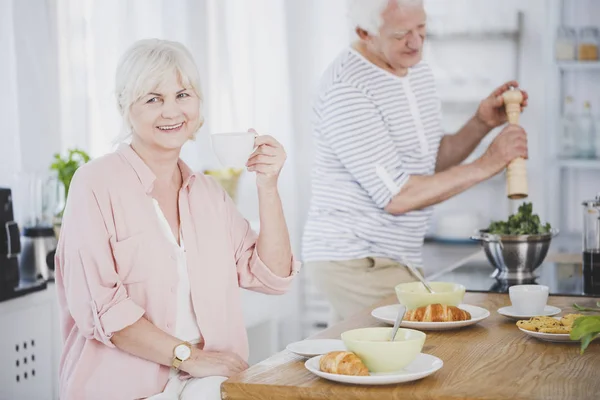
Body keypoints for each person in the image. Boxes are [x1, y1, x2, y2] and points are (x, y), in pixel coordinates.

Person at [54, 38, 300, 400]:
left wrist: (267, 186)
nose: (172, 111)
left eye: (183, 95)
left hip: (203, 384)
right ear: (126, 106)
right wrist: (191, 358)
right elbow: (104, 309)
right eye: (153, 99)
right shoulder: (95, 183)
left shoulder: (209, 194)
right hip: (123, 388)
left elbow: (274, 276)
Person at [302, 0, 529, 324]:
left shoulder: (416, 70)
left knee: (379, 360)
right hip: (356, 259)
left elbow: (428, 162)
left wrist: (480, 123)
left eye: (421, 29)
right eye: (401, 34)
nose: (416, 42)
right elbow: (398, 196)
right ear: (364, 33)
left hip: (396, 256)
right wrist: (489, 162)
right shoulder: (347, 89)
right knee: (426, 344)